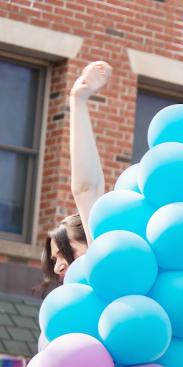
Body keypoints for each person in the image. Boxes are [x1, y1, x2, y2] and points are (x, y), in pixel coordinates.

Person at [39, 61, 110, 291]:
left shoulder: (107, 269)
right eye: (55, 260)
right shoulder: (63, 308)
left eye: (65, 253)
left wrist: (78, 99)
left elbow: (86, 188)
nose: (59, 267)